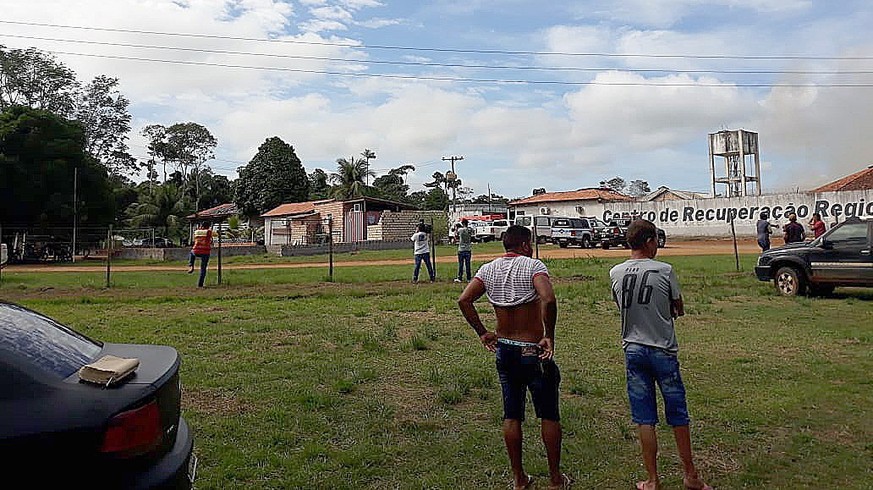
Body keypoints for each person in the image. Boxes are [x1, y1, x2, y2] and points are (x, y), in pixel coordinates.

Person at [458, 225, 570, 490]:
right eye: (529, 244)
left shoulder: (488, 269)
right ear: (524, 245)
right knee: (549, 414)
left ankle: (519, 478)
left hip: (505, 349)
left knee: (512, 414)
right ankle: (555, 479)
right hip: (533, 349)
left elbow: (465, 300)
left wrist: (483, 333)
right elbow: (549, 299)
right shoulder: (533, 266)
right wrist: (549, 334)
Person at [609, 220, 711, 490]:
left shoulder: (615, 272)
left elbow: (621, 304)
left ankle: (652, 479)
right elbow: (678, 306)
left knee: (645, 417)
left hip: (633, 348)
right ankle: (690, 475)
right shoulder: (664, 270)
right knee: (678, 412)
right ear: (649, 241)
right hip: (662, 349)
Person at [187, 222, 213, 287]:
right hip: (205, 251)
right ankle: (200, 284)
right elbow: (216, 234)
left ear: (201, 226)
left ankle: (191, 265)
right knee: (203, 268)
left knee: (191, 253)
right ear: (208, 227)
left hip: (196, 250)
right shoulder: (209, 232)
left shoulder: (197, 232)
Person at [455, 219, 474, 283]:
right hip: (468, 249)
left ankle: (460, 277)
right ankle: (469, 278)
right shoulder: (470, 229)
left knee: (461, 264)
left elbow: (456, 236)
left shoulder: (460, 230)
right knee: (468, 264)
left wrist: (456, 229)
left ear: (462, 223)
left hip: (461, 249)